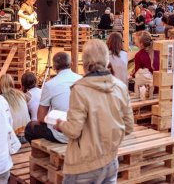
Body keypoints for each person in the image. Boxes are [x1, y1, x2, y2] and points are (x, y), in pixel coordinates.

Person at [55, 39, 134, 184]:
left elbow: (73, 130)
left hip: (82, 165)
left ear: (84, 62)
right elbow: (129, 126)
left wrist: (60, 124)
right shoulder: (120, 87)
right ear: (106, 59)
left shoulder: (79, 89)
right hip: (110, 160)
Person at [25, 52, 82, 144]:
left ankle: (41, 155)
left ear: (54, 67)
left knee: (30, 128)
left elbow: (41, 117)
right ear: (71, 64)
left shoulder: (50, 85)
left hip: (62, 135)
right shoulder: (82, 80)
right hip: (81, 132)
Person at [0, 74, 30, 144]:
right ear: (12, 83)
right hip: (27, 135)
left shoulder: (0, 99)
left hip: (14, 139)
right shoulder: (21, 94)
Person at [131, 31, 154, 99]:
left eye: (135, 39)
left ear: (141, 43)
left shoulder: (139, 55)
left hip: (147, 88)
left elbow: (137, 72)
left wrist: (130, 76)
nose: (134, 41)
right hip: (158, 85)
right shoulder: (156, 51)